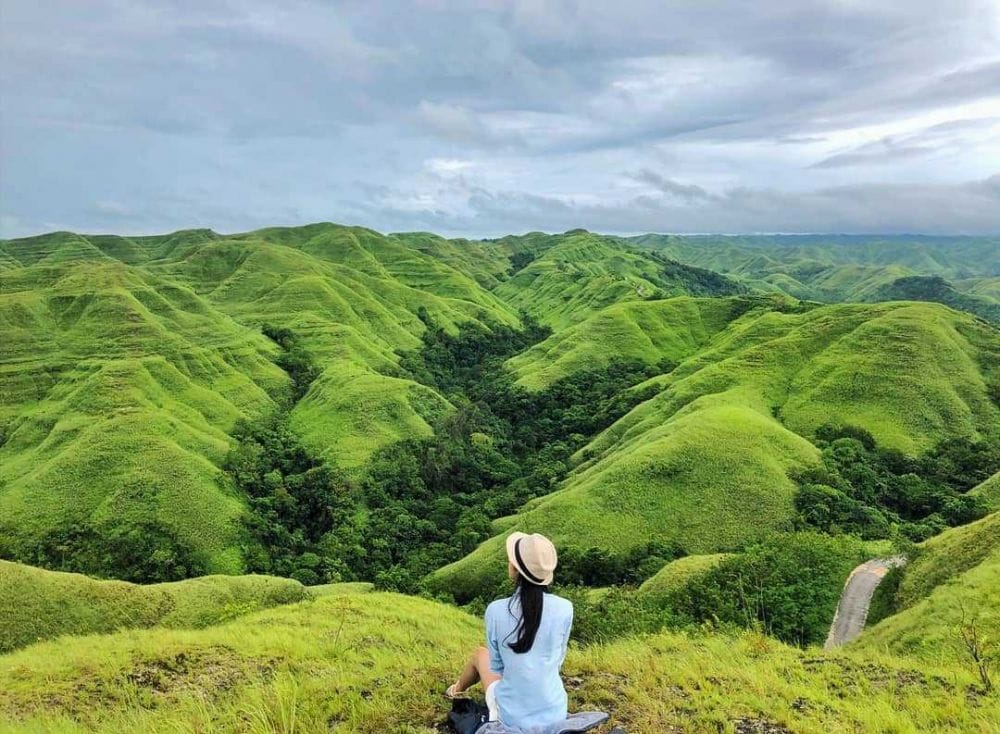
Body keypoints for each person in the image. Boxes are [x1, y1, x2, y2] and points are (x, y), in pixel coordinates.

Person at [446, 531, 574, 729]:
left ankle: (455, 690)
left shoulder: (496, 610)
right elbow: (558, 660)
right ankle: (455, 689)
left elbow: (497, 667)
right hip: (555, 711)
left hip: (512, 717)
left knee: (480, 654)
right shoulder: (565, 608)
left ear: (514, 569)